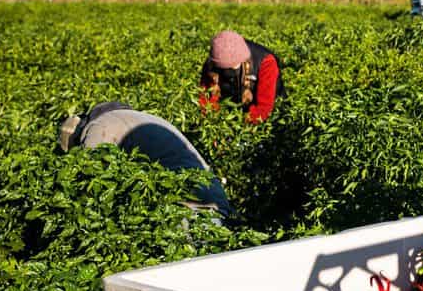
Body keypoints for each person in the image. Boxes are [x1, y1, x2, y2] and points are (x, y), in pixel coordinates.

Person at [58, 102, 231, 214]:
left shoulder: (99, 125)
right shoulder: (136, 117)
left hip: (187, 206)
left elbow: (92, 177)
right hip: (211, 196)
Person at [199, 30, 285, 123]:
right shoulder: (213, 61)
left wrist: (241, 127)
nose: (229, 70)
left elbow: (264, 107)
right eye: (224, 68)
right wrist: (214, 121)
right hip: (234, 107)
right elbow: (207, 98)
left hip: (269, 111)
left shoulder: (266, 62)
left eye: (232, 65)